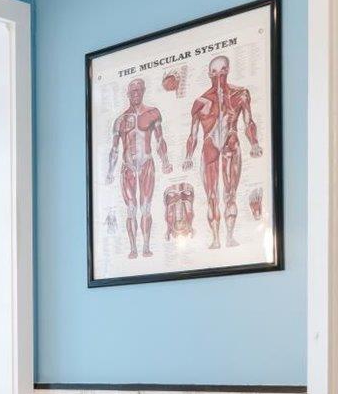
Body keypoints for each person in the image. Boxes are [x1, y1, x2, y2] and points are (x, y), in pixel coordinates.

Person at [181, 55, 262, 249]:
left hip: (230, 144)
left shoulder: (240, 94)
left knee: (230, 193)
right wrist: (188, 157)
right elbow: (193, 134)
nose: (219, 74)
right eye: (215, 71)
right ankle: (216, 239)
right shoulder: (200, 102)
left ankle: (230, 237)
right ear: (209, 73)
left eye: (223, 69)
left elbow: (248, 122)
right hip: (209, 147)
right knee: (211, 196)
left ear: (229, 69)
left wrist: (254, 144)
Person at [106, 78, 172, 259]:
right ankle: (133, 248)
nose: (136, 94)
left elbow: (160, 140)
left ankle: (146, 246)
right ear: (128, 94)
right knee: (131, 209)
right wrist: (110, 171)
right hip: (127, 167)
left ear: (143, 91)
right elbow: (114, 149)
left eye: (139, 90)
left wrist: (165, 161)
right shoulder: (119, 121)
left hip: (146, 165)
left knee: (146, 207)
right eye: (132, 91)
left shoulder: (152, 113)